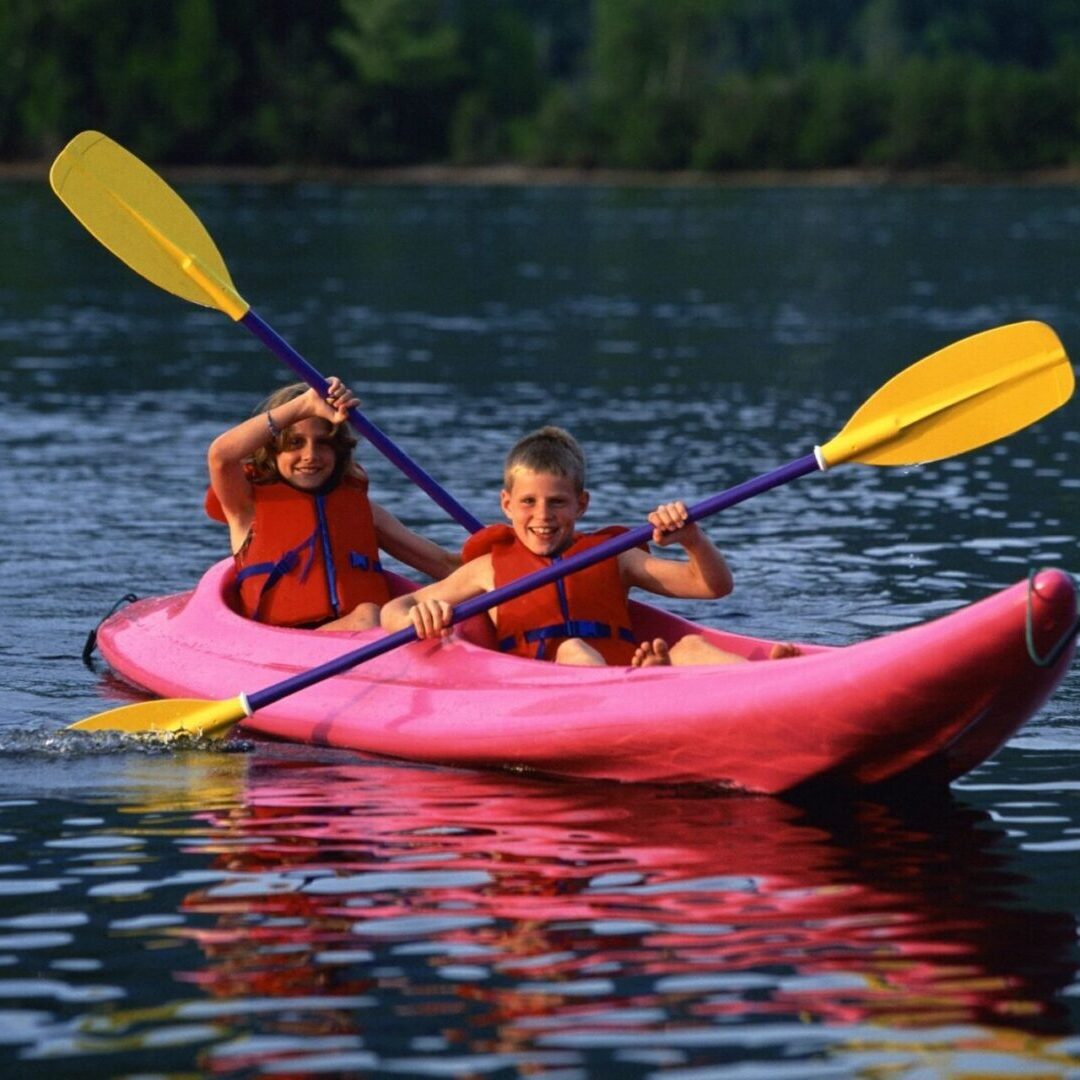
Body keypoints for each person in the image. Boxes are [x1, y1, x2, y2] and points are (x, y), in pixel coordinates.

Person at [381, 425, 797, 666]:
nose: (542, 516)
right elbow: (394, 609)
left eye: (557, 502)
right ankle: (644, 688)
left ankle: (766, 684)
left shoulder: (615, 558)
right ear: (506, 505)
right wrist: (420, 618)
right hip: (548, 690)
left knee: (690, 648)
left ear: (581, 504)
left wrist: (693, 540)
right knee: (572, 647)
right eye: (528, 502)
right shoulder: (487, 568)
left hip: (628, 671)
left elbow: (712, 586)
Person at [207, 377, 460, 631]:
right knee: (369, 614)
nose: (310, 456)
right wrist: (304, 405)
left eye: (324, 443)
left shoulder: (362, 510)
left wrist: (493, 564)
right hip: (285, 644)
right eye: (295, 443)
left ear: (339, 451)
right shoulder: (245, 505)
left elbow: (444, 564)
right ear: (272, 452)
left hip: (363, 639)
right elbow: (221, 457)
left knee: (376, 615)